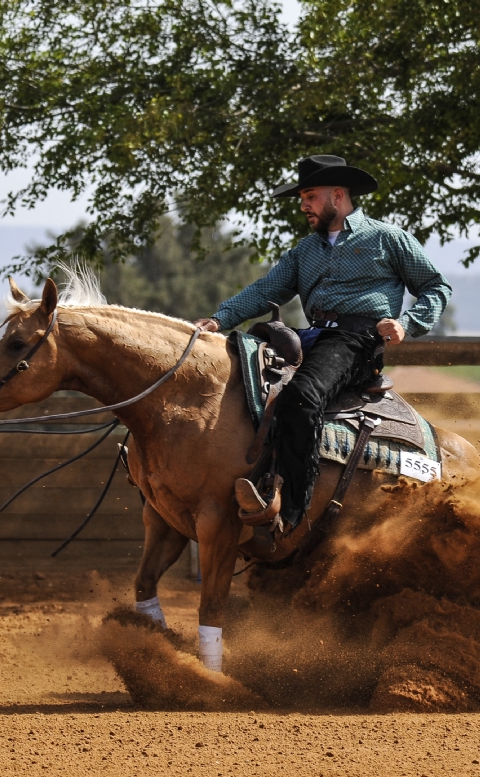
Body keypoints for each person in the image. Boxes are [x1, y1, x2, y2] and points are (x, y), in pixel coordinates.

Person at [194, 154, 452, 529]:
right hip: (309, 336)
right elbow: (265, 290)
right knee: (240, 378)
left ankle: (293, 511)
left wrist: (408, 324)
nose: (303, 205)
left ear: (338, 194)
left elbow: (435, 286)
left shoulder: (387, 238)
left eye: (310, 196)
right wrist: (218, 320)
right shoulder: (304, 251)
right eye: (302, 198)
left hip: (358, 341)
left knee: (301, 397)